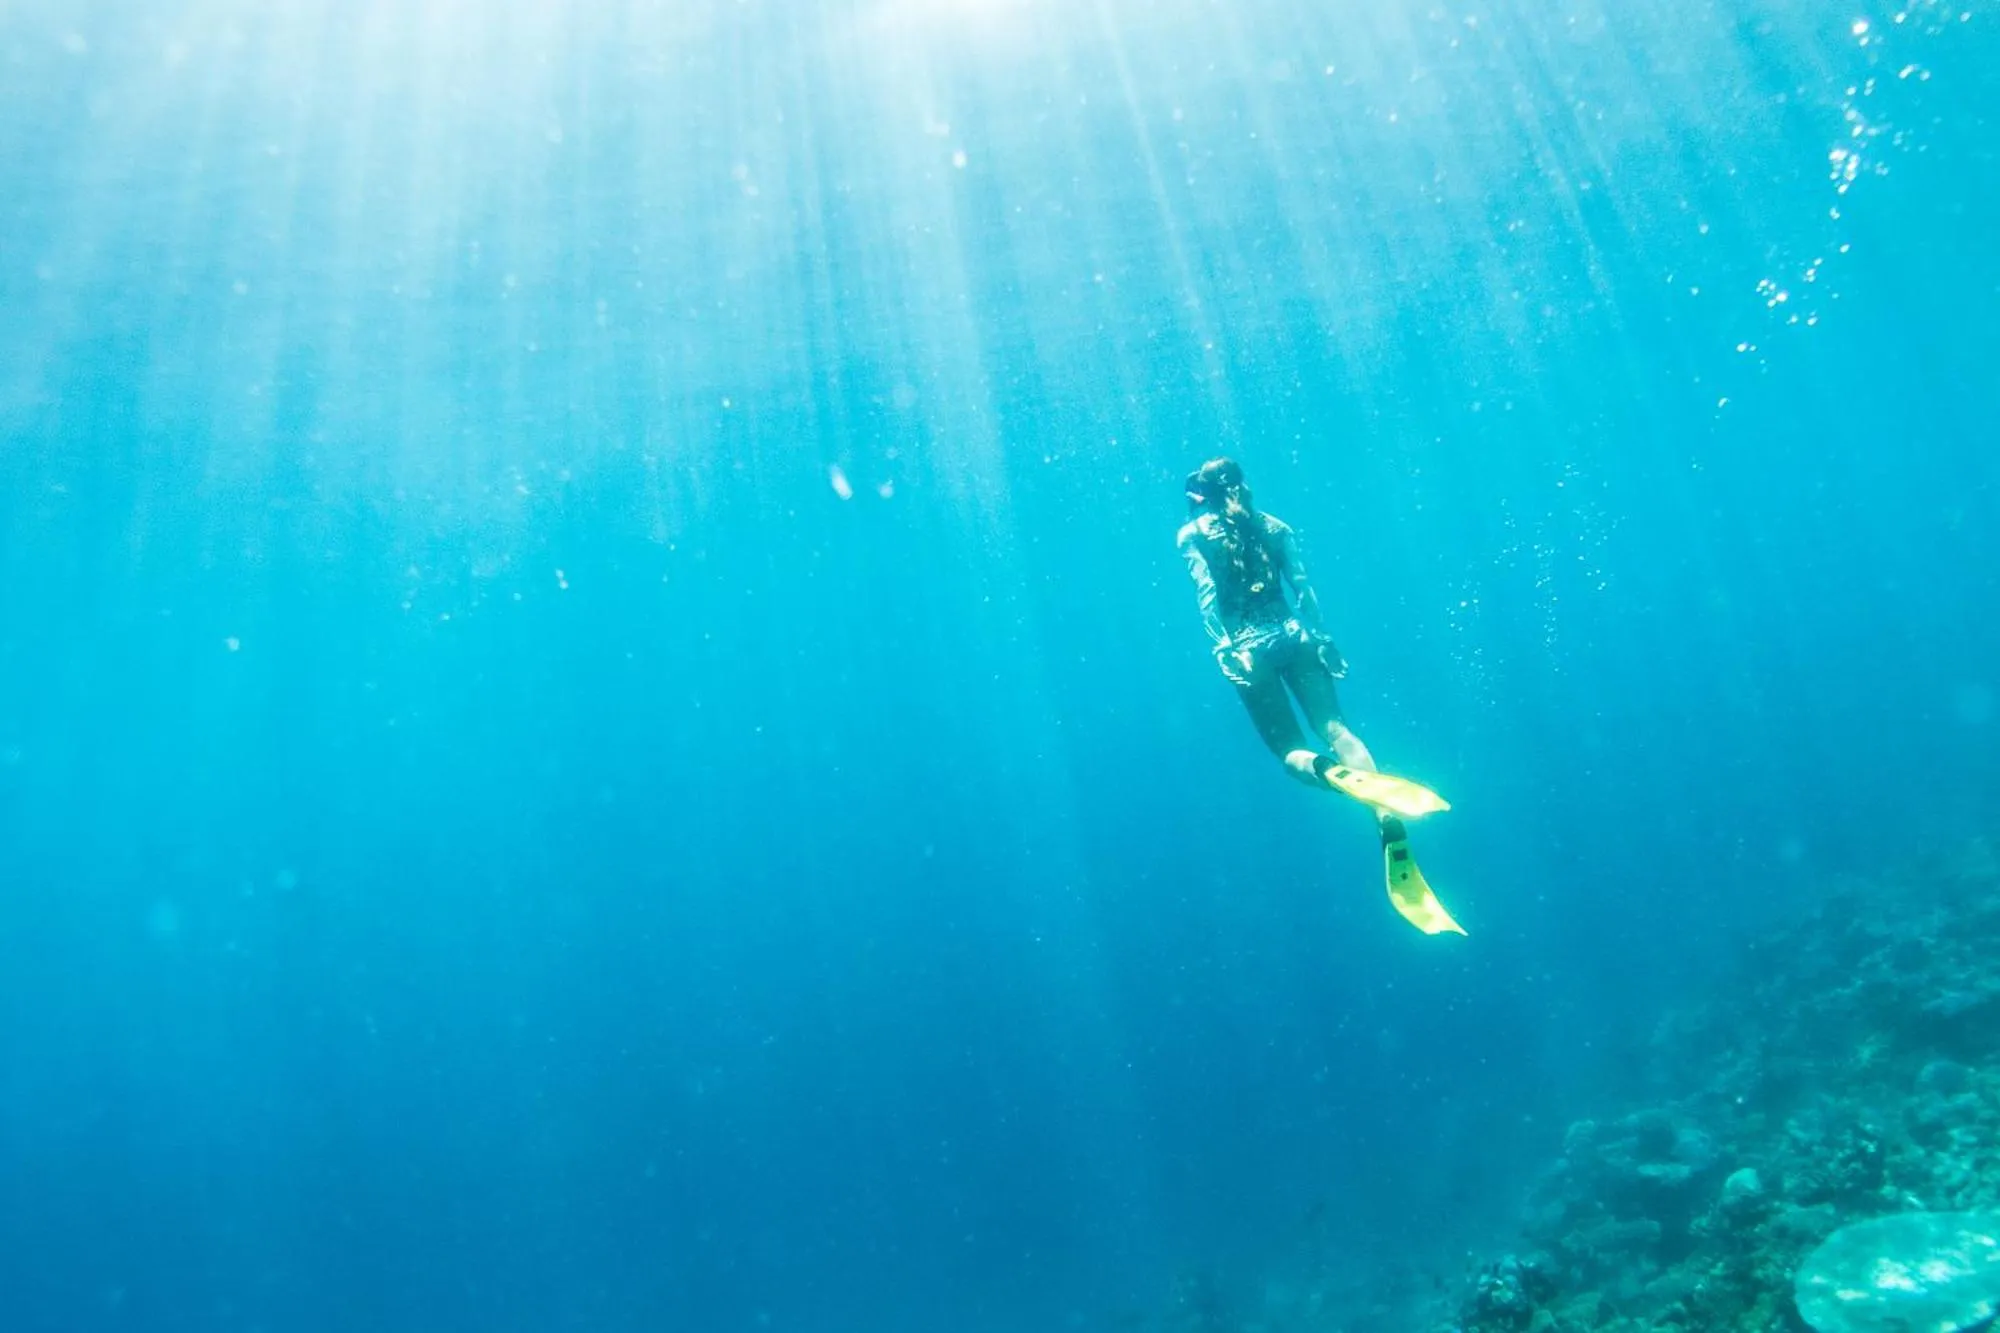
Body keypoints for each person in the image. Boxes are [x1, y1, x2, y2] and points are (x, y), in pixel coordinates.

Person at [1176, 458, 1459, 932]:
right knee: (1338, 729)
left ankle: (1331, 775)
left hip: (1248, 650)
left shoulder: (1192, 536)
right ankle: (1385, 812)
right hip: (1296, 635)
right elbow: (1304, 589)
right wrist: (1324, 639)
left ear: (1199, 496)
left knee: (1290, 751)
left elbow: (1207, 596)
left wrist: (1223, 648)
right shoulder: (1275, 526)